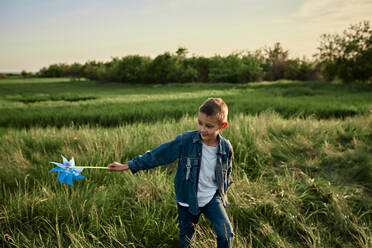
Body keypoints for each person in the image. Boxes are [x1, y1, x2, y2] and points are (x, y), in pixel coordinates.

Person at [108, 98, 234, 248]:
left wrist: (223, 192)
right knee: (187, 238)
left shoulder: (225, 148)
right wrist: (128, 165)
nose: (202, 129)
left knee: (226, 233)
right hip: (187, 199)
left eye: (209, 126)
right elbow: (158, 155)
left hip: (212, 198)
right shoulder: (185, 141)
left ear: (222, 126)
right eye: (200, 123)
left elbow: (226, 171)